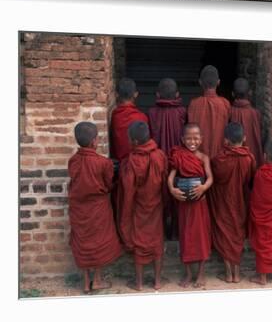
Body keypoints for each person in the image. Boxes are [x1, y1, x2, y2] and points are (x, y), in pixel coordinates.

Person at [67, 122, 122, 293]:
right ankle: (97, 280)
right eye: (97, 138)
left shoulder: (73, 161)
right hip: (98, 207)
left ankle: (85, 283)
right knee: (98, 242)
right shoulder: (103, 163)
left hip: (78, 208)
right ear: (93, 142)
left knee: (82, 242)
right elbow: (108, 184)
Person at [117, 121, 167, 291]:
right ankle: (157, 281)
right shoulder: (160, 155)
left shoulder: (131, 160)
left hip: (139, 206)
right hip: (157, 203)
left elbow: (128, 189)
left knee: (140, 242)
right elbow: (165, 180)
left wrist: (125, 210)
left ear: (135, 142)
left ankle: (138, 283)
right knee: (156, 241)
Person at [209, 122, 256, 283]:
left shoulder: (219, 159)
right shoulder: (249, 159)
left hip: (223, 201)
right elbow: (250, 179)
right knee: (237, 235)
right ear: (244, 138)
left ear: (225, 141)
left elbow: (212, 179)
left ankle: (228, 273)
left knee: (225, 234)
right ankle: (237, 273)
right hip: (240, 201)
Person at [168, 123, 213, 288]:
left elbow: (210, 178)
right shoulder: (179, 155)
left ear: (201, 139)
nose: (192, 141)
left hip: (199, 204)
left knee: (200, 237)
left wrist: (203, 187)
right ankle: (188, 273)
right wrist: (172, 190)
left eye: (195, 138)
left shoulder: (203, 158)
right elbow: (170, 176)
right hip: (184, 204)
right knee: (186, 237)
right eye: (188, 138)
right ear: (182, 139)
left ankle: (201, 274)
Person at [147, 78, 187, 239]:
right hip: (179, 161)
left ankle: (161, 233)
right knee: (179, 198)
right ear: (177, 94)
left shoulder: (151, 112)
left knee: (160, 197)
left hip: (158, 161)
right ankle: (177, 233)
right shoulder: (182, 111)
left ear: (157, 94)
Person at [249, 139, 272, 285]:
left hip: (262, 216)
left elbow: (256, 196)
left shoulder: (260, 174)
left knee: (263, 242)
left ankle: (262, 277)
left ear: (264, 155)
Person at [187, 65, 231, 158]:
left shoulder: (193, 104)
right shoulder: (225, 104)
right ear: (218, 82)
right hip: (220, 158)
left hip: (198, 157)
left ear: (200, 82)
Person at [110, 77, 149, 162]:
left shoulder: (115, 116)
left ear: (116, 94)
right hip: (139, 162)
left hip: (120, 163)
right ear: (135, 94)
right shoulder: (142, 117)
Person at [229, 77, 264, 168]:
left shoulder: (229, 112)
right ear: (250, 93)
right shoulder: (256, 114)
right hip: (252, 159)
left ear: (232, 94)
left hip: (232, 161)